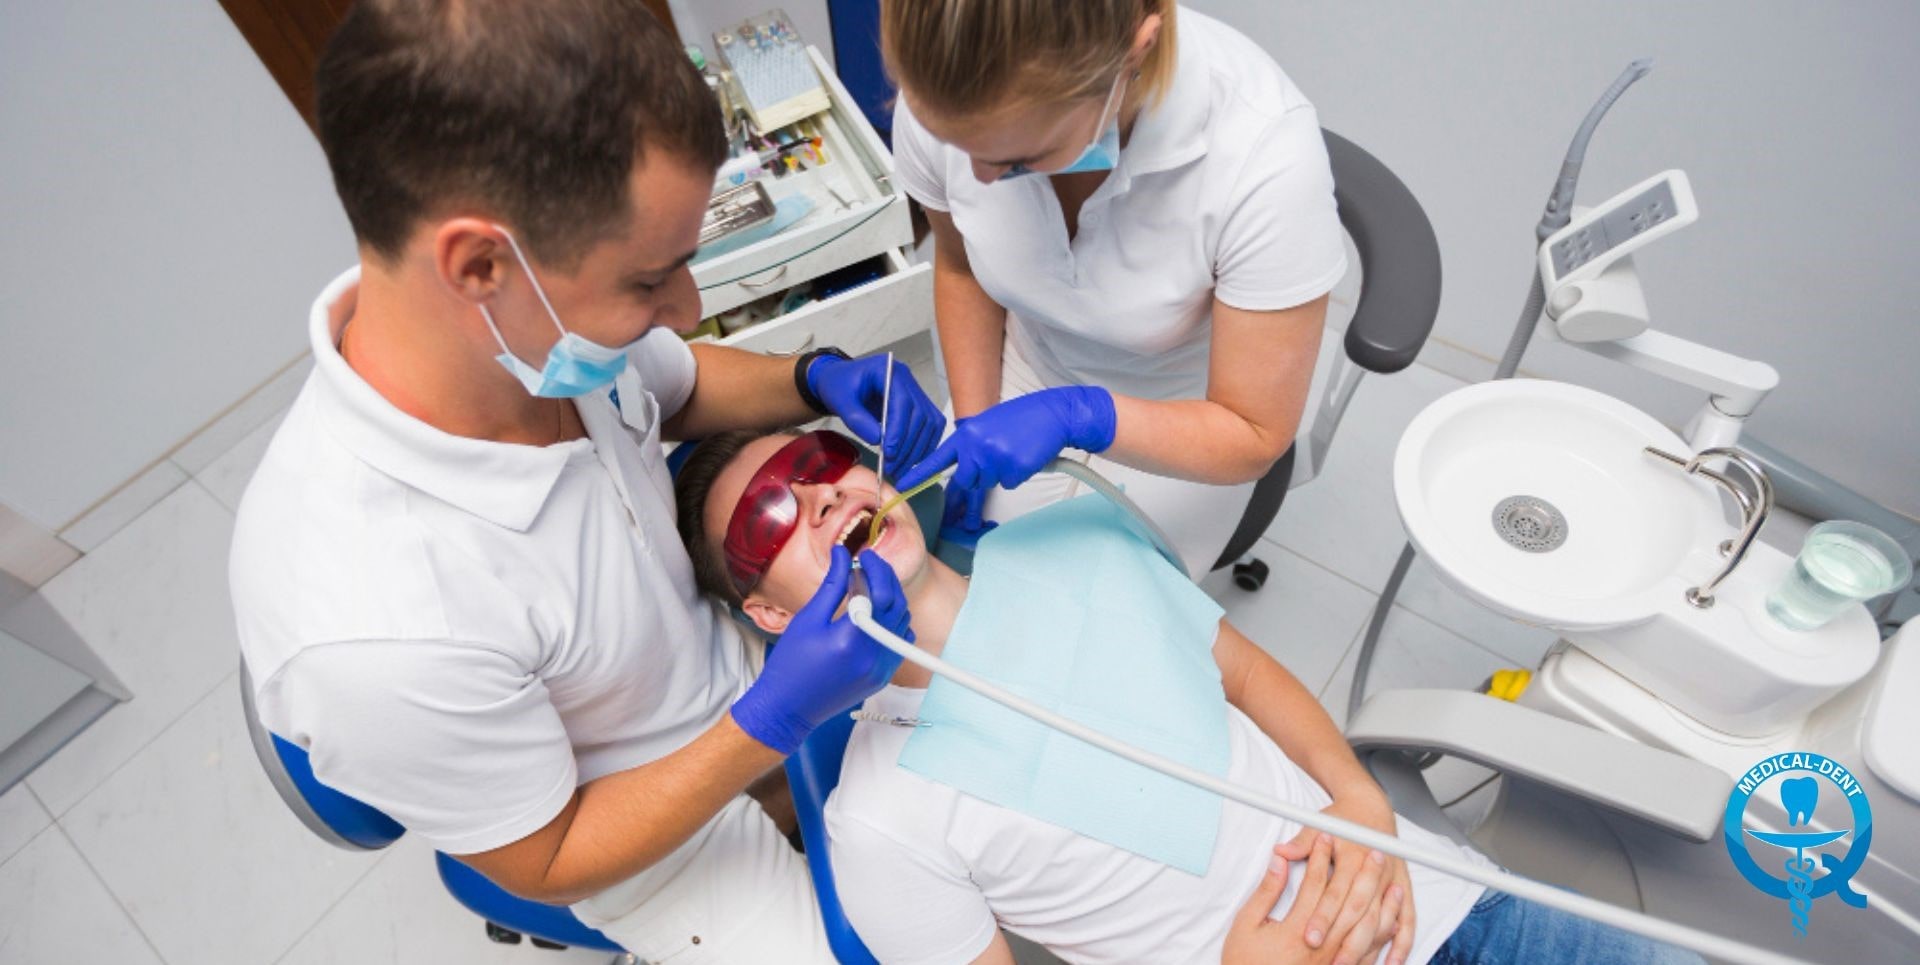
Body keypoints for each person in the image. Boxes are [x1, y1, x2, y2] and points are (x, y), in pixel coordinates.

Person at [227, 2, 945, 961]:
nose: (685, 309)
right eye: (651, 281)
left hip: (731, 672)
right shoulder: (379, 619)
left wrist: (808, 376)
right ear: (480, 262)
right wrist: (771, 723)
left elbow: (676, 385)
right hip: (639, 835)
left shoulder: (513, 336)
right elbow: (550, 855)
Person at [674, 428, 1710, 965]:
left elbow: (1251, 676)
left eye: (818, 462)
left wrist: (1358, 797)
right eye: (769, 520)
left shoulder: (1072, 538)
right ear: (768, 614)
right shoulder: (874, 816)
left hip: (1459, 909)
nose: (817, 495)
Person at [882, 2, 1347, 578]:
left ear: (1137, 50)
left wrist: (1084, 416)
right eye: (958, 146)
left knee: (1087, 631)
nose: (976, 177)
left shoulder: (1264, 159)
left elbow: (1253, 433)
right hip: (1027, 369)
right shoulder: (949, 87)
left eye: (1018, 158)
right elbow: (959, 266)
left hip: (1189, 417)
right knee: (951, 581)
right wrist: (977, 424)